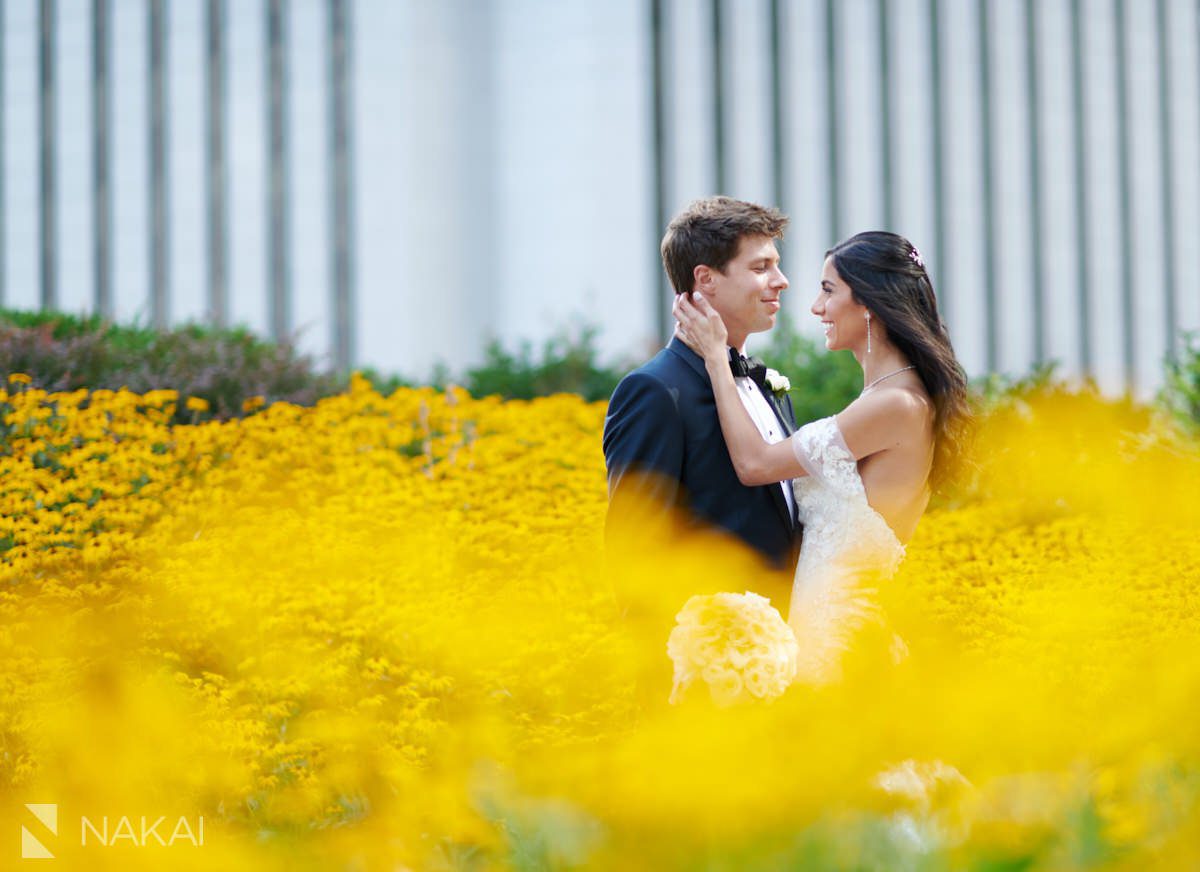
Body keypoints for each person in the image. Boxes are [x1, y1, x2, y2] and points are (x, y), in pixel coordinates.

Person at [673, 231, 970, 683]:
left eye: (828, 290)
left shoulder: (895, 404)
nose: (815, 307)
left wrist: (716, 357)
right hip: (826, 633)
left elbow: (756, 465)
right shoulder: (889, 396)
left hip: (839, 645)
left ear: (869, 302)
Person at [603, 196, 800, 570]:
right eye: (761, 267)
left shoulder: (764, 382)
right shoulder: (654, 391)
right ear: (706, 279)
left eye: (777, 265)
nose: (781, 281)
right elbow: (633, 552)